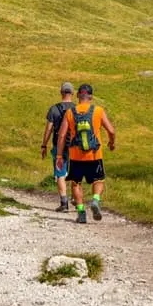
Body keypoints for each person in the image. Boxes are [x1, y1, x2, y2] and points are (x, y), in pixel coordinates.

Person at [55, 84, 116, 224]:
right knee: (98, 180)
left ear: (77, 96)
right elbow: (111, 131)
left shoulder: (70, 112)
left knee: (76, 183)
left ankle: (81, 212)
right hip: (95, 155)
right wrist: (112, 143)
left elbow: (62, 135)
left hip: (76, 156)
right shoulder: (98, 111)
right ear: (91, 96)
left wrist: (59, 156)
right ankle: (95, 200)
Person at [40, 82, 75, 212]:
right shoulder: (77, 109)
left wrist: (44, 145)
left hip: (58, 146)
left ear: (61, 92)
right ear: (72, 93)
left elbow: (48, 129)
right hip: (75, 147)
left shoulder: (54, 109)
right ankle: (76, 199)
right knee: (75, 173)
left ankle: (64, 203)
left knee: (60, 174)